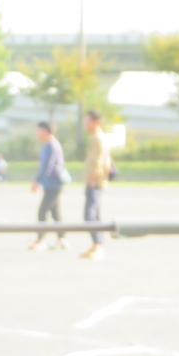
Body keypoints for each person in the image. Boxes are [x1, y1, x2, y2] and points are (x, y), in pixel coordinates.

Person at [29, 122, 66, 250]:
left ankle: (40, 240)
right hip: (50, 185)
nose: (37, 133)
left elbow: (47, 166)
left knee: (42, 211)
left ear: (45, 131)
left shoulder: (51, 145)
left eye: (39, 130)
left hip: (54, 184)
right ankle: (61, 239)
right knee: (55, 212)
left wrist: (37, 181)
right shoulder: (47, 145)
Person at [80, 110, 112, 260]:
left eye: (88, 121)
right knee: (94, 214)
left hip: (96, 181)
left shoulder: (98, 138)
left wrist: (93, 178)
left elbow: (98, 161)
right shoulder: (97, 137)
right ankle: (96, 245)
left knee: (89, 214)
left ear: (96, 122)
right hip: (95, 180)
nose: (85, 123)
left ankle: (98, 245)